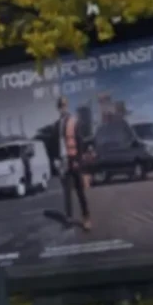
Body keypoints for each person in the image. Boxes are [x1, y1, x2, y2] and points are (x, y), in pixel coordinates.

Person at [57, 98, 91, 231]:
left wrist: (78, 159)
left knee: (79, 191)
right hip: (63, 161)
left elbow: (79, 141)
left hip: (74, 159)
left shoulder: (73, 121)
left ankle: (86, 218)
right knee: (66, 192)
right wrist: (57, 160)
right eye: (60, 106)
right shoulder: (57, 124)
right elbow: (57, 144)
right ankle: (69, 218)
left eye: (64, 105)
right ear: (58, 108)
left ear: (67, 106)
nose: (62, 108)